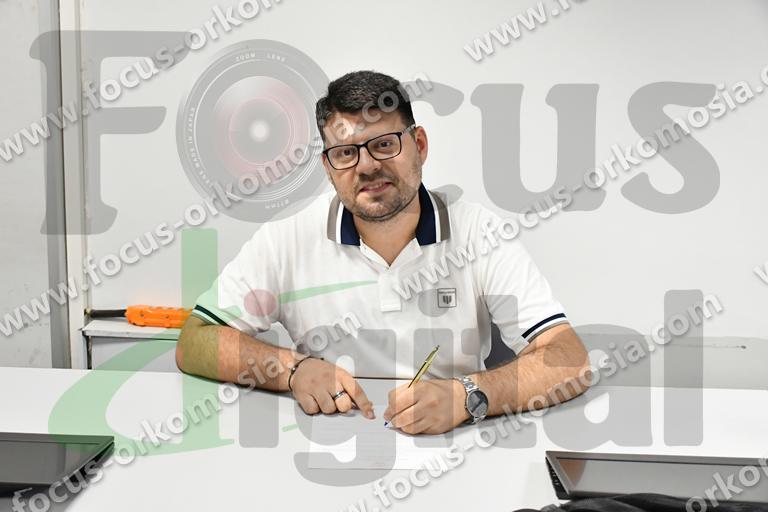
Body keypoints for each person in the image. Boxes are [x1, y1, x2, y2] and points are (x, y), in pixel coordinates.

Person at [176, 70, 591, 435]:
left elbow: (569, 359)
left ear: (420, 145)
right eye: (345, 153)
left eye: (384, 144)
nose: (367, 166)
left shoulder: (480, 233)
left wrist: (467, 395)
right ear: (328, 167)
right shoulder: (286, 238)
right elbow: (195, 340)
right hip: (322, 444)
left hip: (455, 445)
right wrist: (293, 369)